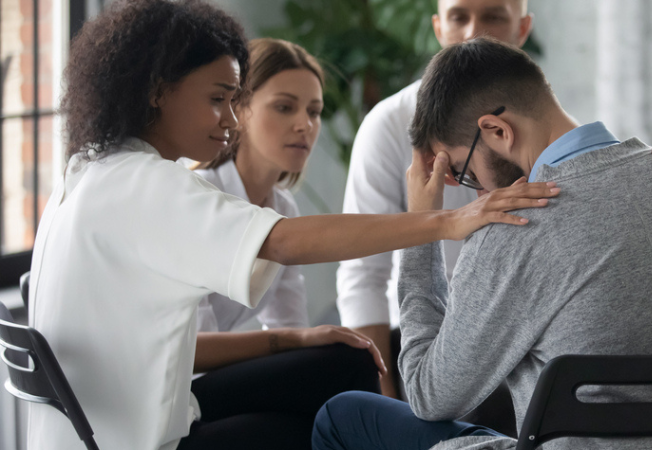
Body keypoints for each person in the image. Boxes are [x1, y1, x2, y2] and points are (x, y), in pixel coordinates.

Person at [28, 1, 557, 449]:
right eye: (218, 100)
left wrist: (293, 338)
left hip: (106, 421)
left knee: (335, 386)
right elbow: (282, 243)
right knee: (338, 391)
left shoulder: (91, 174)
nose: (231, 121)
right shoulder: (145, 184)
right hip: (132, 434)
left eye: (234, 102)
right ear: (156, 90)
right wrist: (445, 219)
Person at [312, 37, 652, 450]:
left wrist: (423, 225)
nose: (476, 190)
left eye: (464, 172)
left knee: (343, 414)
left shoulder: (515, 225)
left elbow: (429, 396)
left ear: (497, 131)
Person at [178, 38, 385, 448]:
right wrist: (298, 345)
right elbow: (193, 351)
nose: (305, 125)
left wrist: (303, 345)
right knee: (348, 367)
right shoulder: (198, 199)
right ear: (242, 108)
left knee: (325, 410)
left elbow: (289, 321)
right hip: (178, 396)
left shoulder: (282, 208)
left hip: (215, 387)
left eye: (314, 112)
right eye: (285, 107)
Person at [336, 0, 534, 399]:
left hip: (523, 351)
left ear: (522, 30)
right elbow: (363, 272)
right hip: (416, 348)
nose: (473, 32)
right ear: (438, 28)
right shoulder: (389, 124)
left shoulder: (542, 123)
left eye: (494, 16)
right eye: (459, 16)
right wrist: (386, 396)